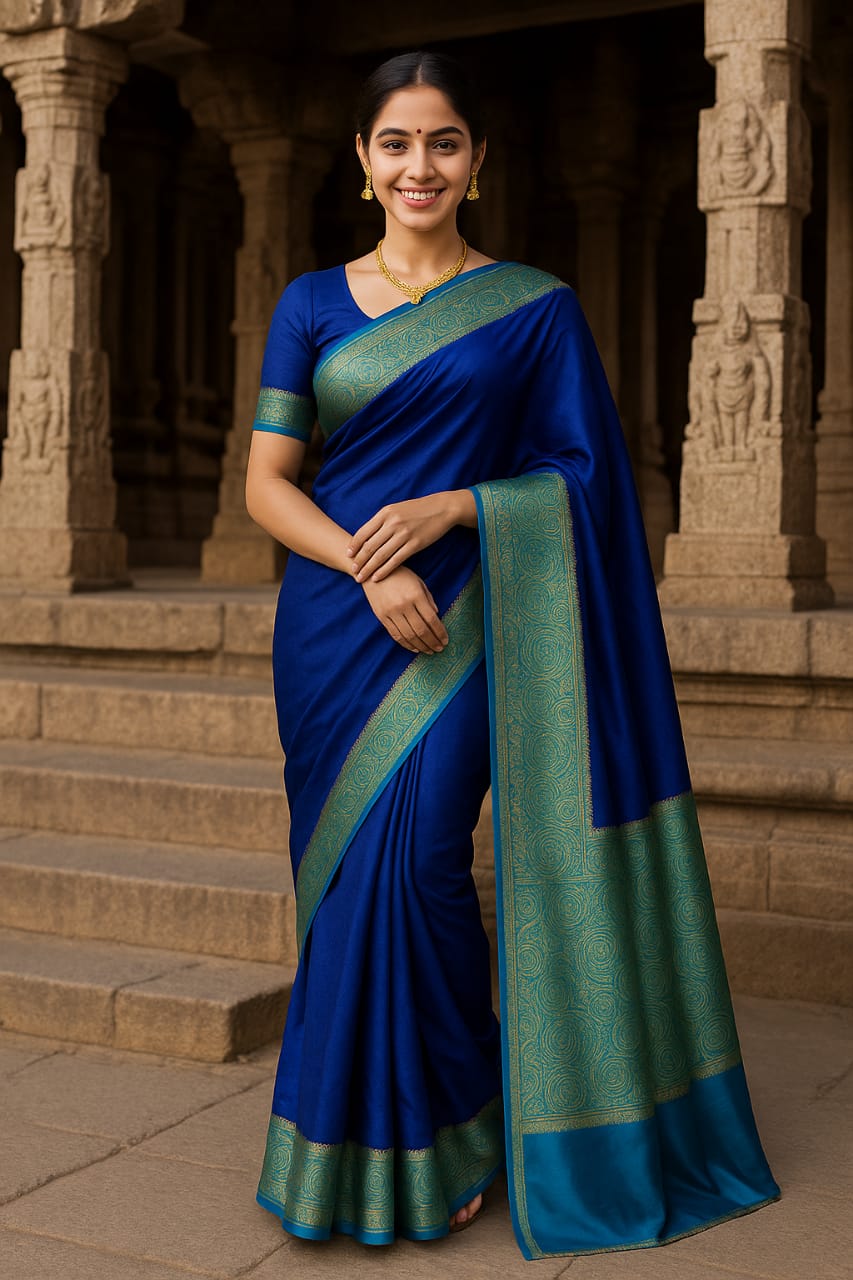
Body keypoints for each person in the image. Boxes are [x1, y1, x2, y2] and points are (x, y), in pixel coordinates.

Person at [245, 49, 780, 1261]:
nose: (417, 165)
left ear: (476, 162)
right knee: (346, 889)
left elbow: (586, 483)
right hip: (337, 624)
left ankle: (465, 1122)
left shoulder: (533, 306)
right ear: (363, 164)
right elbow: (267, 484)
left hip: (477, 616)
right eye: (394, 143)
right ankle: (372, 1149)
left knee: (425, 862)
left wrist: (456, 511)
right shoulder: (310, 304)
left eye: (441, 142)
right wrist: (365, 562)